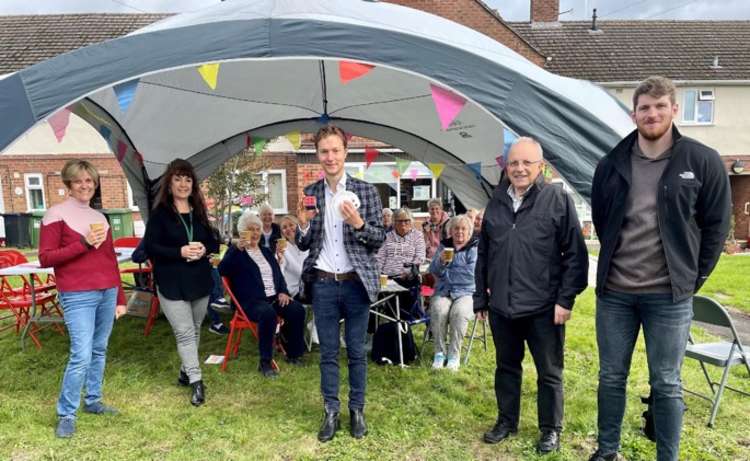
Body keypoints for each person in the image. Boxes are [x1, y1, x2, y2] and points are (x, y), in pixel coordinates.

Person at [588, 76, 731, 461]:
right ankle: (607, 450)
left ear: (674, 110)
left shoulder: (701, 161)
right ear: (634, 113)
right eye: (644, 108)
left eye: (659, 106)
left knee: (666, 382)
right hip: (616, 293)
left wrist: (691, 276)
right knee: (610, 377)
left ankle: (667, 456)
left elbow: (717, 225)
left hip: (668, 296)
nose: (652, 114)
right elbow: (604, 220)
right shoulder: (612, 163)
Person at [475, 137, 588, 454]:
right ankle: (506, 421)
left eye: (527, 163)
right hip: (502, 307)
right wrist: (481, 299)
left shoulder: (557, 198)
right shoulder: (496, 201)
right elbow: (484, 253)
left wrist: (566, 299)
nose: (520, 168)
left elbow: (575, 256)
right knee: (506, 367)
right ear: (506, 166)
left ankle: (550, 429)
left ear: (541, 166)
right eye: (514, 163)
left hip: (544, 308)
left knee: (549, 373)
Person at [296, 125, 385, 442]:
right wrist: (303, 226)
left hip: (355, 283)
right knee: (329, 353)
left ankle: (357, 410)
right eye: (324, 151)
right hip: (322, 283)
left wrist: (358, 223)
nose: (330, 157)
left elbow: (378, 240)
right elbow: (305, 243)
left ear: (346, 152)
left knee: (358, 352)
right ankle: (331, 411)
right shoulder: (311, 193)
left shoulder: (366, 192)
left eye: (335, 150)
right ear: (317, 155)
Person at [39, 160, 127, 439]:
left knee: (99, 350)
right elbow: (45, 258)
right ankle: (66, 412)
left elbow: (110, 260)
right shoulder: (55, 214)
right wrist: (83, 243)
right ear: (69, 184)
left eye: (89, 180)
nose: (85, 185)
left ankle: (93, 401)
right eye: (79, 181)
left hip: (107, 292)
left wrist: (120, 297)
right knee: (81, 354)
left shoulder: (100, 217)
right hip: (77, 294)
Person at [144, 158, 219, 407]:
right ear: (169, 184)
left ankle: (186, 371)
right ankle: (197, 382)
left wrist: (203, 248)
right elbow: (151, 248)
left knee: (195, 329)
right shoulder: (160, 215)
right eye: (178, 178)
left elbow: (214, 242)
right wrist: (180, 252)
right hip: (172, 282)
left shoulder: (198, 212)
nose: (183, 184)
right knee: (185, 332)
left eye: (188, 179)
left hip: (199, 279)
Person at [218, 211, 306, 377]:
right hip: (250, 302)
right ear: (243, 232)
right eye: (250, 229)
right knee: (268, 313)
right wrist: (236, 249)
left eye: (257, 229)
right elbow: (222, 270)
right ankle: (265, 363)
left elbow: (278, 275)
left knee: (297, 309)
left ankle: (294, 354)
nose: (255, 233)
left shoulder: (266, 252)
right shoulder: (237, 252)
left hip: (273, 298)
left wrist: (283, 292)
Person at [429, 214, 478, 371]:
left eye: (464, 229)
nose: (460, 232)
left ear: (469, 231)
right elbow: (433, 270)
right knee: (438, 310)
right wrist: (441, 262)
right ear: (451, 230)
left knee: (459, 313)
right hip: (444, 291)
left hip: (467, 292)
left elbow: (471, 274)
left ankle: (454, 356)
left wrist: (447, 272)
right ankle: (439, 354)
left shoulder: (474, 247)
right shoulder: (444, 246)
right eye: (456, 228)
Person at [375, 207, 425, 316]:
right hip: (388, 278)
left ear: (411, 221)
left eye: (406, 220)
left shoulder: (418, 236)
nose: (403, 223)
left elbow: (420, 257)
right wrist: (378, 274)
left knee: (403, 302)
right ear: (394, 222)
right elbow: (380, 258)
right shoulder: (387, 237)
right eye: (399, 221)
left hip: (407, 278)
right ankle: (392, 322)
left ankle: (401, 322)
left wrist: (408, 272)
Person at [277, 215, 309, 300]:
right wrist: (279, 258)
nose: (288, 229)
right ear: (282, 233)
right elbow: (279, 271)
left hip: (312, 285)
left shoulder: (307, 243)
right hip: (296, 290)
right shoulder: (283, 248)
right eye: (284, 227)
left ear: (297, 226)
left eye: (291, 225)